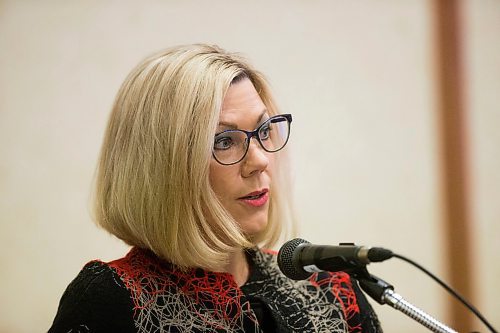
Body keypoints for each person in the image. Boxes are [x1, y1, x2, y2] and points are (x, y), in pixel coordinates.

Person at [49, 44, 382, 333]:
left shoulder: (333, 291)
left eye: (264, 130)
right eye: (224, 141)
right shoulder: (112, 300)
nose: (260, 160)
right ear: (162, 168)